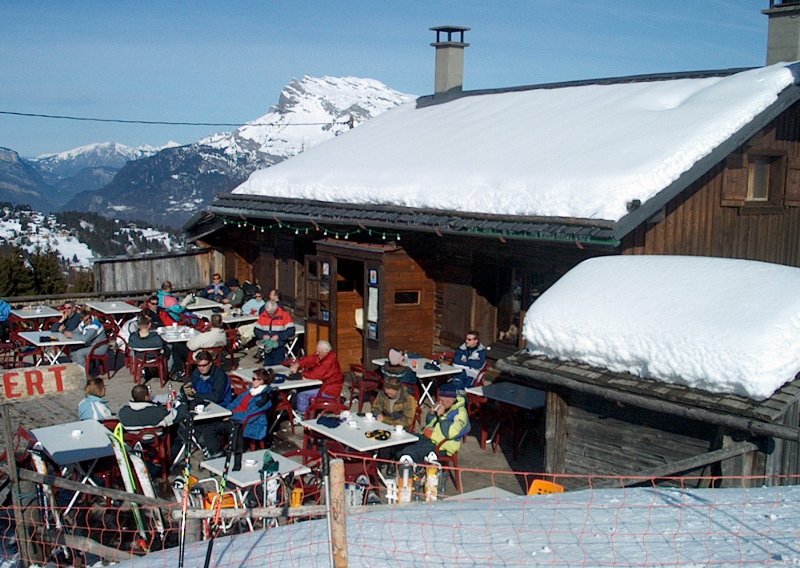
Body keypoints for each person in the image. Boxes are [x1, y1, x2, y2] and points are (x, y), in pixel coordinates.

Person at [397, 382, 469, 464]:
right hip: (428, 437)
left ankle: (412, 472)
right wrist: (431, 414)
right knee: (403, 440)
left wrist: (441, 417)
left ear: (452, 399)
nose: (440, 402)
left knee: (410, 452)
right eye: (440, 399)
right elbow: (429, 423)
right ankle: (395, 466)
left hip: (442, 445)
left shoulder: (460, 413)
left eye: (443, 400)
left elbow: (450, 433)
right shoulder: (445, 406)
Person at [289, 340, 343, 418]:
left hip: (329, 390)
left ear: (325, 351)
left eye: (319, 352)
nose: (317, 353)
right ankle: (303, 410)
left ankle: (302, 414)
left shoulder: (329, 361)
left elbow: (316, 374)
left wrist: (301, 375)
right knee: (302, 389)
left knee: (302, 392)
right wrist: (298, 364)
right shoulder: (323, 355)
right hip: (325, 386)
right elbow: (311, 359)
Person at [227, 368, 275, 443]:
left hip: (247, 423)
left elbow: (248, 415)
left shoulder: (262, 398)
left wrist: (231, 415)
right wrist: (227, 412)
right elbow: (236, 402)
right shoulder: (251, 391)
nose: (251, 381)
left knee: (214, 427)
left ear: (261, 381)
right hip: (235, 415)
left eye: (254, 379)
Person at [118, 384, 187, 431]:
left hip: (133, 442)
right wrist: (183, 403)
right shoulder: (156, 412)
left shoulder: (123, 412)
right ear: (146, 397)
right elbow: (178, 415)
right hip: (155, 441)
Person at [128, 316, 171, 380]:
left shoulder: (133, 337)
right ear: (149, 325)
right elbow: (161, 345)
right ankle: (167, 371)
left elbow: (130, 346)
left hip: (140, 357)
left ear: (138, 325)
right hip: (154, 357)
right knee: (169, 347)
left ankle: (144, 371)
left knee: (132, 352)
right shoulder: (155, 337)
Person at [255, 300, 295, 366]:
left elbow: (291, 331)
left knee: (278, 366)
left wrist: (278, 336)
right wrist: (262, 336)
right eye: (268, 313)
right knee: (267, 366)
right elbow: (256, 330)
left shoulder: (285, 316)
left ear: (276, 309)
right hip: (267, 345)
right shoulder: (263, 315)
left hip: (279, 345)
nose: (270, 314)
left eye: (272, 312)